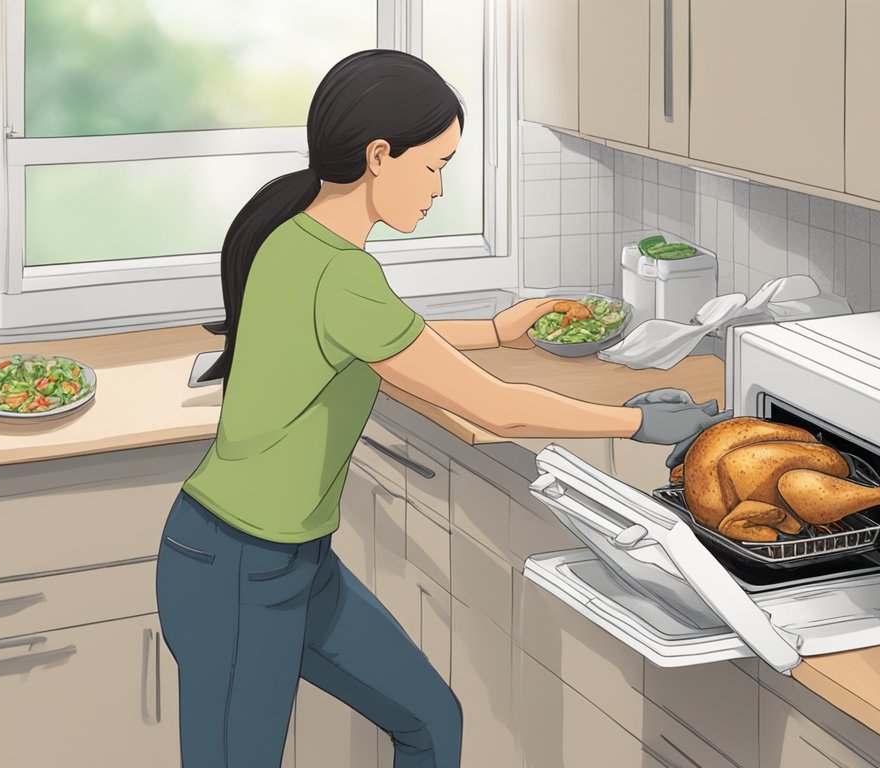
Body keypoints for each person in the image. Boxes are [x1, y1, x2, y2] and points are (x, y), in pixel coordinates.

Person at [155, 49, 727, 768]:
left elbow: (380, 340)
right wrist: (640, 422)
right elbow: (495, 410)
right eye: (434, 166)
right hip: (236, 567)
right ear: (378, 156)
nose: (439, 189)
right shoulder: (340, 272)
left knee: (429, 720)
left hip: (288, 564)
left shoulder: (297, 232)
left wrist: (493, 331)